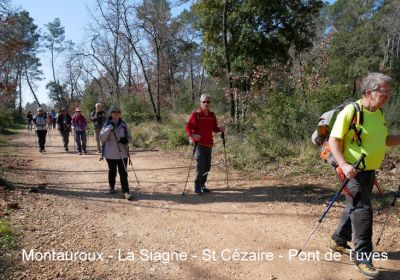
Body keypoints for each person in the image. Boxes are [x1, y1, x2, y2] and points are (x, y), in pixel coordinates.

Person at [328, 73, 400, 279]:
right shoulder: (352, 110)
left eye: (389, 92)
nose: (388, 96)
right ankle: (362, 257)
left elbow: (384, 139)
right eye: (384, 92)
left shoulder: (378, 113)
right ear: (369, 92)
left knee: (355, 205)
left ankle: (338, 240)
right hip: (350, 170)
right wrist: (343, 164)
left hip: (369, 171)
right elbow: (334, 140)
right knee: (363, 210)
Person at [185, 94, 224, 194]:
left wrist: (220, 129)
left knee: (207, 166)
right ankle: (197, 184)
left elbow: (214, 129)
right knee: (200, 163)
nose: (206, 104)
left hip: (209, 144)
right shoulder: (196, 114)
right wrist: (193, 135)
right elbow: (188, 128)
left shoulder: (212, 115)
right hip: (198, 144)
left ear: (210, 103)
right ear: (200, 103)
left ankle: (202, 184)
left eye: (208, 102)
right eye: (204, 102)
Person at [100, 105, 133, 200]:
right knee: (112, 171)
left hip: (123, 153)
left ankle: (125, 191)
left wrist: (126, 140)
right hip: (110, 154)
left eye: (118, 113)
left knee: (123, 173)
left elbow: (130, 137)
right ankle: (111, 187)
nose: (116, 114)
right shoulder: (107, 124)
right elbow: (102, 137)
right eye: (114, 112)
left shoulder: (123, 124)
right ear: (111, 114)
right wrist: (109, 127)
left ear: (120, 114)